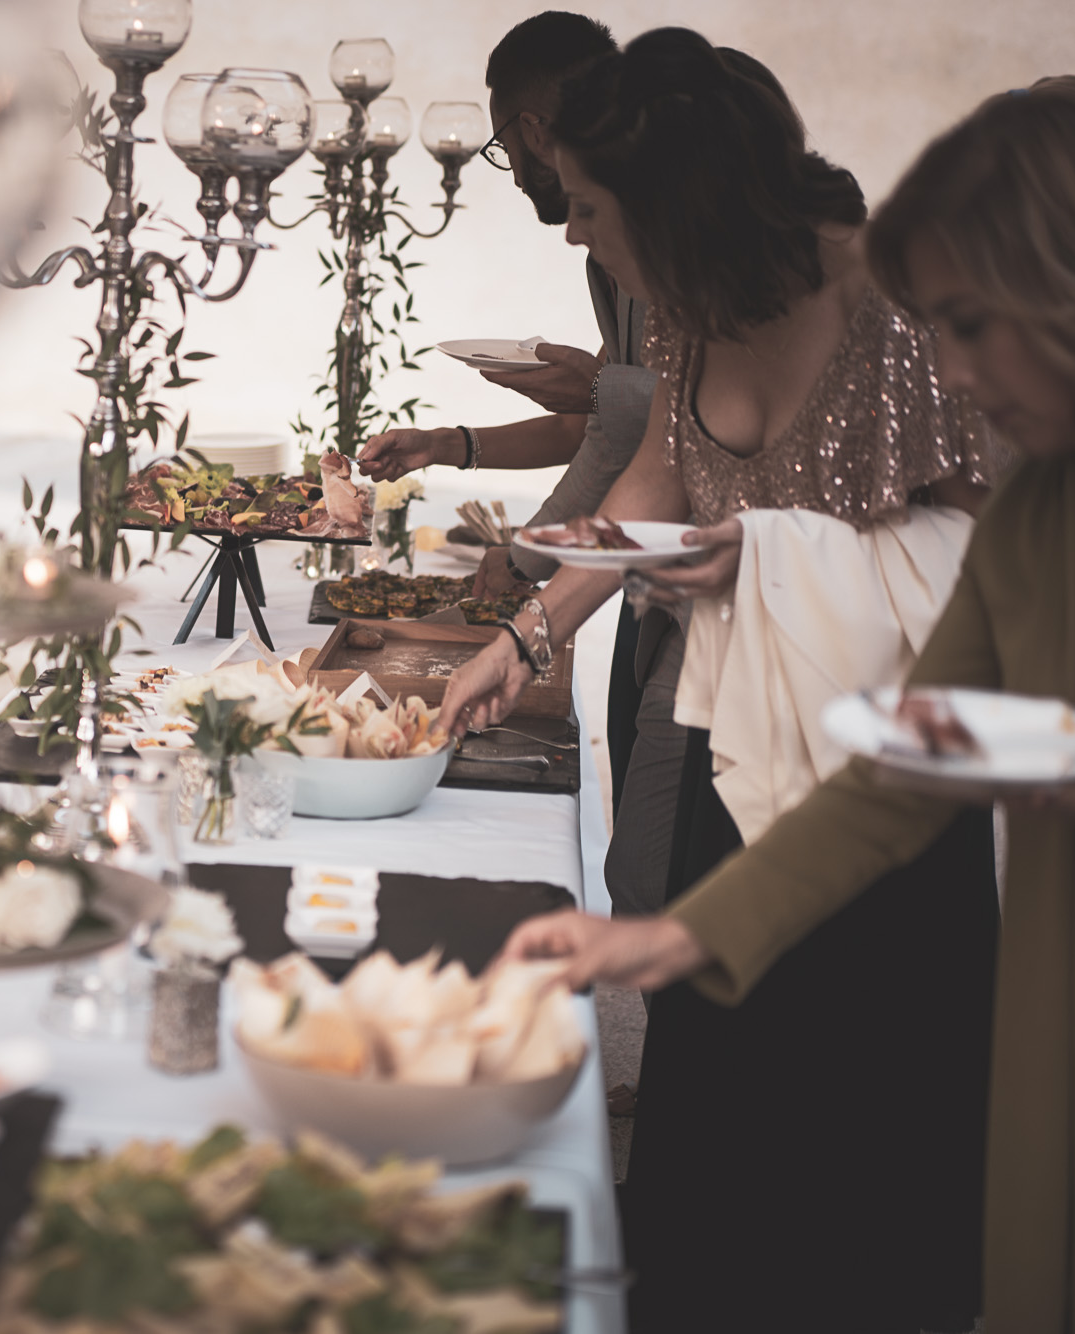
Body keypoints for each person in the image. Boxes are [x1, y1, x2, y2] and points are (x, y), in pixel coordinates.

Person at [507, 84, 1075, 1334]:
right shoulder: (1042, 506)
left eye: (971, 327)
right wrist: (673, 939)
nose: (955, 377)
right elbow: (898, 761)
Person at [441, 29, 1002, 1332]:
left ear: (677, 201)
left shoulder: (901, 311)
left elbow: (990, 567)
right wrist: (526, 639)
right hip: (729, 752)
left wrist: (777, 556)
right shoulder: (692, 313)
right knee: (714, 1136)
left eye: (587, 204)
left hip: (887, 794)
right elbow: (654, 491)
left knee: (857, 1166)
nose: (576, 233)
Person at [358, 11, 680, 918]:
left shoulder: (668, 254)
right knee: (648, 861)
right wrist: (453, 447)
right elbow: (618, 426)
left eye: (583, 210)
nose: (575, 235)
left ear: (533, 130)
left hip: (689, 595)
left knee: (661, 865)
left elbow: (639, 439)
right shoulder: (621, 247)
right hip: (638, 580)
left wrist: (532, 575)